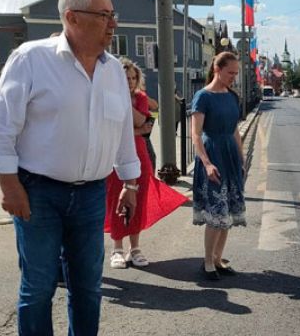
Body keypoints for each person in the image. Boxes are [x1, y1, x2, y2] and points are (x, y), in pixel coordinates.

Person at [0, 0, 139, 336]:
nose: (112, 24)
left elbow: (122, 128)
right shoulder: (31, 60)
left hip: (91, 193)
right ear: (71, 18)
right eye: (104, 15)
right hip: (39, 193)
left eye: (113, 15)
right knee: (37, 287)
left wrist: (130, 181)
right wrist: (8, 184)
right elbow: (1, 126)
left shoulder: (111, 69)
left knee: (88, 286)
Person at [105, 59, 187, 268]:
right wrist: (132, 126)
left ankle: (135, 248)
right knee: (116, 201)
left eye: (133, 78)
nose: (131, 82)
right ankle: (117, 249)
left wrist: (128, 119)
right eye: (126, 79)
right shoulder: (108, 97)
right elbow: (108, 127)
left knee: (137, 201)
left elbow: (142, 123)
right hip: (114, 157)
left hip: (139, 156)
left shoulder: (140, 98)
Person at [190, 52, 246, 280]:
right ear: (217, 69)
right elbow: (195, 135)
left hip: (230, 155)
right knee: (216, 211)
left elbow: (234, 130)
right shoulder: (202, 96)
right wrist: (207, 164)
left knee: (228, 213)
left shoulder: (232, 96)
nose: (234, 77)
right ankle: (207, 262)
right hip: (212, 153)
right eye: (230, 72)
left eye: (236, 73)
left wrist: (241, 159)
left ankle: (217, 258)